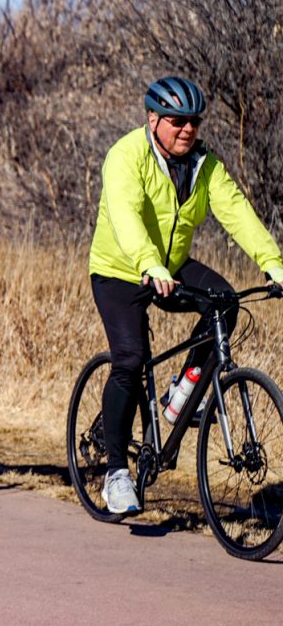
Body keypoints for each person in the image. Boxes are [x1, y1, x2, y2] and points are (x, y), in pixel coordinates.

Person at [88, 75, 283, 515]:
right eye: (177, 121)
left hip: (170, 267)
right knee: (130, 360)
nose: (187, 130)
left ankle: (182, 391)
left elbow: (236, 211)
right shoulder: (126, 155)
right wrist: (147, 263)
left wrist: (272, 263)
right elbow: (125, 214)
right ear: (153, 119)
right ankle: (116, 473)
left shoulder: (203, 164)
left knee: (226, 302)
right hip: (120, 270)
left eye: (194, 121)